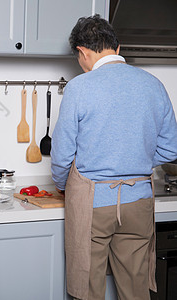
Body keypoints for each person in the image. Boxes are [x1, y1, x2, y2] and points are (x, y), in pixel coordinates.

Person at [51, 15, 177, 300]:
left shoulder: (79, 87)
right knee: (135, 289)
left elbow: (61, 155)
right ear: (117, 48)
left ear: (82, 52)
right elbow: (172, 149)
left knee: (88, 288)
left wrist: (62, 184)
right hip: (139, 200)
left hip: (92, 201)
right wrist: (137, 159)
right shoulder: (153, 84)